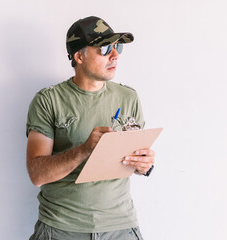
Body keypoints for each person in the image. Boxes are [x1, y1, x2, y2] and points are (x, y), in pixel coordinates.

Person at [26, 16, 155, 240]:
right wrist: (84, 149)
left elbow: (135, 159)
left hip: (120, 227)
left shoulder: (129, 97)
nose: (114, 55)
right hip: (61, 228)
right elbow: (37, 175)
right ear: (79, 56)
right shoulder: (48, 100)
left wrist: (144, 165)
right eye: (105, 48)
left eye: (117, 47)